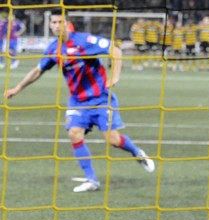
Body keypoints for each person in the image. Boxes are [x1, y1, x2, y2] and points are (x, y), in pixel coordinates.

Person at [4, 9, 155, 193]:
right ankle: (92, 181)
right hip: (77, 102)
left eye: (60, 22)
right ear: (50, 25)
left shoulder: (85, 41)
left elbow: (115, 50)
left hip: (100, 99)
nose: (57, 26)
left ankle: (137, 153)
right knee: (75, 134)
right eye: (54, 22)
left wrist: (115, 77)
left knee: (113, 140)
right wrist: (17, 88)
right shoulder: (53, 49)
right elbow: (38, 70)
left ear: (67, 23)